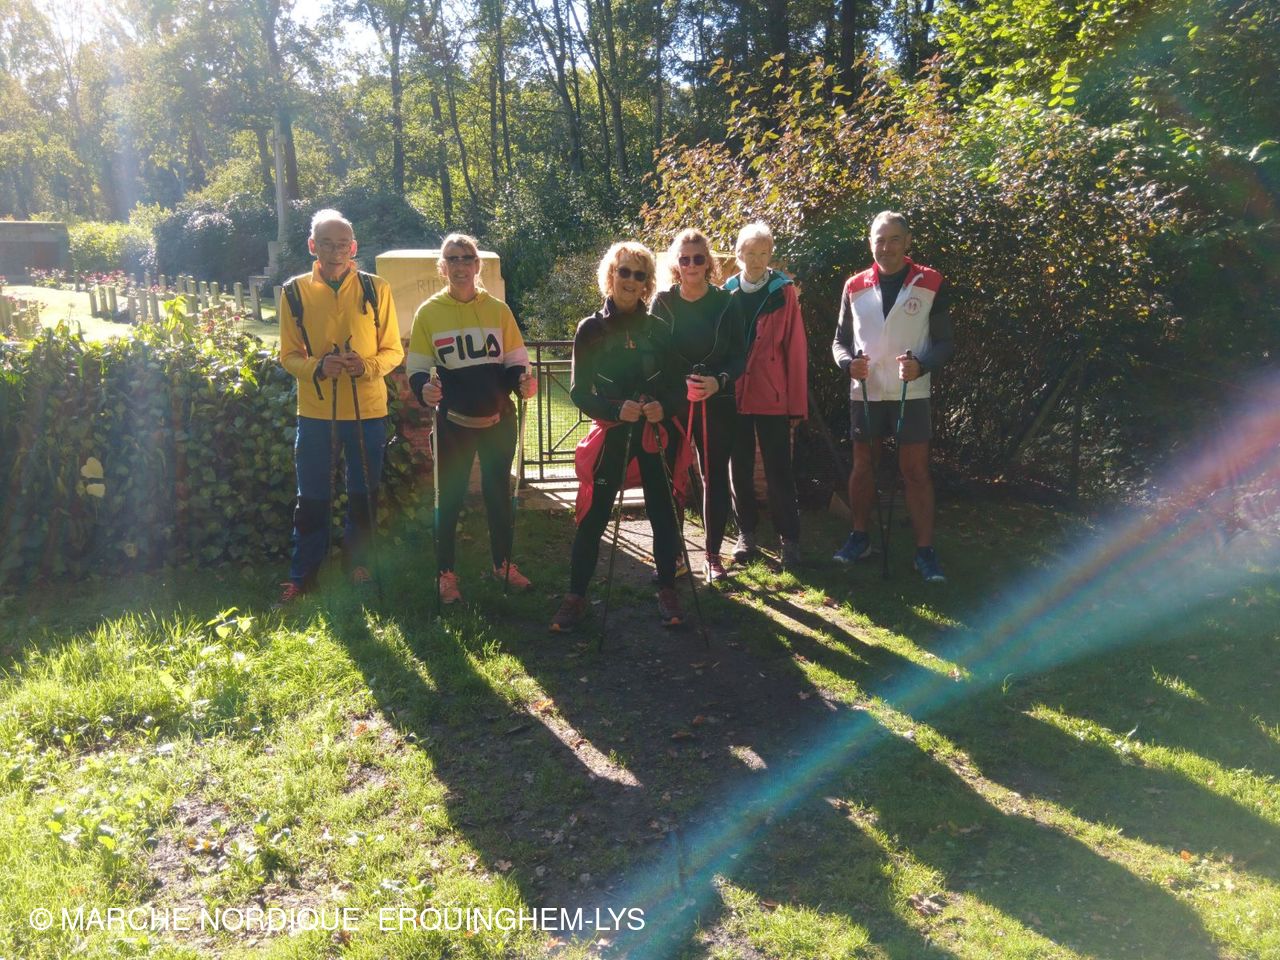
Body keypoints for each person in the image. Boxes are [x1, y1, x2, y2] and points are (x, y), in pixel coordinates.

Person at [550, 242, 688, 632]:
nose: (630, 280)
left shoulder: (659, 329)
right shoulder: (590, 329)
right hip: (613, 434)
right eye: (623, 271)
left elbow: (678, 389)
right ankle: (575, 596)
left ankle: (667, 588)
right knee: (594, 516)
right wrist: (614, 411)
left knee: (662, 513)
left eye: (639, 275)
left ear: (647, 284)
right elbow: (579, 392)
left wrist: (663, 407)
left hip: (653, 434)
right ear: (611, 275)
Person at [277, 208, 404, 605]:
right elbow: (288, 355)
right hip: (316, 413)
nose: (335, 252)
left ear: (354, 247)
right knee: (312, 497)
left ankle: (359, 564)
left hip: (368, 410)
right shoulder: (293, 291)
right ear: (312, 245)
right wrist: (318, 366)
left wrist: (366, 366)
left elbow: (393, 350)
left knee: (363, 493)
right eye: (327, 244)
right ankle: (303, 575)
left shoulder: (376, 288)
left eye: (342, 245)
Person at [406, 233, 537, 604]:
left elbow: (515, 361)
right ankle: (446, 574)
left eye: (467, 258)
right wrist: (423, 389)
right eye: (453, 259)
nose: (460, 265)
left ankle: (503, 564)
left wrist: (523, 381)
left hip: (498, 422)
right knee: (448, 500)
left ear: (477, 265)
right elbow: (417, 367)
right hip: (453, 424)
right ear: (443, 267)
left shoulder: (498, 310)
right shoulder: (429, 312)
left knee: (498, 496)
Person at [832, 210, 954, 581]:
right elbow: (839, 342)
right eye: (879, 240)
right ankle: (860, 538)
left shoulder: (930, 281)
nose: (886, 248)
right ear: (870, 243)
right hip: (866, 390)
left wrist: (922, 365)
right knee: (863, 466)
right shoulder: (854, 285)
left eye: (894, 239)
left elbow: (945, 342)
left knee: (914, 471)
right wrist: (847, 364)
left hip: (910, 391)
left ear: (908, 242)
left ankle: (925, 551)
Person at [650, 228, 745, 584]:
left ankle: (712, 555)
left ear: (709, 263)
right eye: (685, 259)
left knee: (714, 477)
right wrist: (679, 386)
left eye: (698, 258)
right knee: (670, 478)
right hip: (674, 402)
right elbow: (654, 355)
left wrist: (718, 381)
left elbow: (739, 355)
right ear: (676, 264)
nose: (691, 265)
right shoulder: (663, 302)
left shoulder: (728, 302)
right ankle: (673, 553)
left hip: (717, 401)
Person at [723, 222, 808, 570]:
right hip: (734, 395)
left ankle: (789, 539)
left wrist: (796, 404)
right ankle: (746, 534)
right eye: (750, 252)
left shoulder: (783, 292)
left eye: (763, 252)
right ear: (738, 254)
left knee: (778, 469)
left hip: (773, 395)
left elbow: (795, 349)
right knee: (739, 468)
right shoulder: (726, 293)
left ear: (771, 254)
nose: (757, 259)